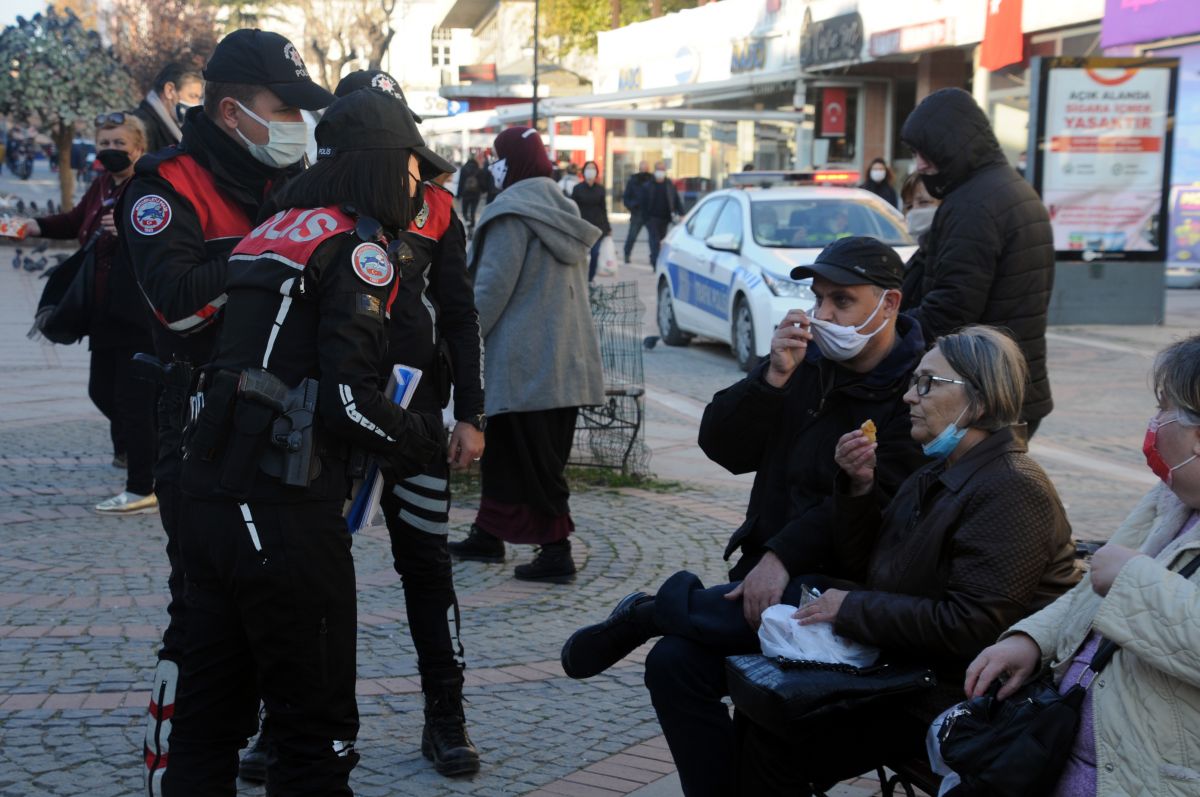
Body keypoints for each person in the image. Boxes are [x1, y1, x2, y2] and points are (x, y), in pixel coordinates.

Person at [560, 237, 930, 795]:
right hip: (765, 578)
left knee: (773, 631)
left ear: (890, 304)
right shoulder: (807, 364)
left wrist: (784, 554)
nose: (823, 314)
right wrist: (771, 378)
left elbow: (884, 503)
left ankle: (657, 610)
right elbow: (723, 447)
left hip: (852, 590)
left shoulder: (916, 391)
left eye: (842, 302)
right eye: (818, 298)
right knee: (674, 666)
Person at [161, 87, 444, 796]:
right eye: (416, 168)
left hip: (209, 495)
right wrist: (426, 444)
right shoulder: (356, 247)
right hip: (284, 512)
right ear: (386, 163)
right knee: (313, 740)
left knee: (207, 725)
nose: (422, 185)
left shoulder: (274, 226)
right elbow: (350, 400)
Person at [119, 28, 334, 792]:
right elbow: (177, 305)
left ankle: (278, 746)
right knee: (206, 636)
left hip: (290, 438)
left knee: (288, 631)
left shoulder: (290, 179)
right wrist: (281, 244)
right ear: (233, 110)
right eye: (285, 109)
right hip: (202, 443)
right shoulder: (162, 188)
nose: (297, 127)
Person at [735, 325, 1078, 795]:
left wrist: (851, 608)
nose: (908, 398)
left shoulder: (1012, 487)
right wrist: (857, 487)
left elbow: (972, 624)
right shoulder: (939, 471)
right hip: (909, 668)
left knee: (777, 735)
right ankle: (667, 611)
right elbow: (871, 569)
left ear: (978, 397)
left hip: (956, 697)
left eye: (927, 384)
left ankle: (662, 611)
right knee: (755, 708)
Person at [966, 333, 1200, 797]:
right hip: (1084, 758)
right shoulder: (1170, 500)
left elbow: (1122, 581)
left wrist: (1133, 579)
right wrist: (1033, 638)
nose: (1152, 425)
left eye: (1163, 408)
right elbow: (1096, 585)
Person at [333, 69, 484, 778]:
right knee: (313, 574)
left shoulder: (440, 210)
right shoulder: (314, 200)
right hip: (334, 417)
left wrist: (472, 415)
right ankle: (304, 725)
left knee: (426, 569)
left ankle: (446, 718)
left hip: (419, 421)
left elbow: (459, 314)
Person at [447, 126, 603, 582]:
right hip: (564, 364)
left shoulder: (511, 213)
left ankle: (556, 553)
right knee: (516, 457)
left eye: (497, 158)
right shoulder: (562, 207)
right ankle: (488, 534)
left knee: (535, 466)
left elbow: (491, 289)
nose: (492, 166)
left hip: (523, 366)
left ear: (511, 162)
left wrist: (461, 337)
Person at [900, 87, 1054, 436]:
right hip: (1011, 383)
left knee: (968, 487)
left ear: (952, 144)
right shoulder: (1011, 188)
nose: (921, 165)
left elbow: (951, 309)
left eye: (926, 152)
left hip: (982, 393)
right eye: (915, 154)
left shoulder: (973, 205)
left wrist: (888, 338)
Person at [27, 112, 157, 513]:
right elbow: (74, 221)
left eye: (119, 144)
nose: (110, 151)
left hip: (135, 309)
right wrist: (32, 225)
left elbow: (164, 235)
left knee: (134, 401)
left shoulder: (148, 188)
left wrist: (129, 230)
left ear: (138, 147)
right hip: (102, 310)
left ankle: (143, 486)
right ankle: (146, 448)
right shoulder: (102, 184)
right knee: (101, 392)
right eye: (104, 144)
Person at [131, 63, 205, 154]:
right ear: (169, 90)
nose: (197, 104)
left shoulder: (173, 127)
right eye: (193, 96)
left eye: (199, 98)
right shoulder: (141, 128)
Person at [899, 170, 941, 301]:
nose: (914, 211)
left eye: (923, 202)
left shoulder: (949, 255)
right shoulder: (921, 254)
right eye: (909, 206)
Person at [571, 160, 612, 282]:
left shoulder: (600, 189)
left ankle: (590, 279)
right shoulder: (577, 189)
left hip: (597, 226)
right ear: (584, 171)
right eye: (588, 168)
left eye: (593, 168)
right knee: (581, 255)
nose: (591, 170)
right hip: (582, 226)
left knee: (595, 254)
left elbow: (604, 209)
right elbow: (573, 207)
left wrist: (608, 227)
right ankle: (580, 278)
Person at [644, 160, 680, 269]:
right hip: (652, 218)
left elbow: (676, 199)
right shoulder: (648, 185)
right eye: (658, 170)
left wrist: (681, 213)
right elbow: (643, 202)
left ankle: (655, 258)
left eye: (662, 170)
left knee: (662, 241)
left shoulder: (669, 184)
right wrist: (645, 218)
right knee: (654, 241)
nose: (660, 172)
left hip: (665, 218)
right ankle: (655, 262)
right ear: (654, 171)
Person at [622, 160, 652, 265]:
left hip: (649, 213)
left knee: (653, 238)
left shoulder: (652, 180)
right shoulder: (633, 180)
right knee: (632, 236)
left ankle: (654, 258)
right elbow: (626, 197)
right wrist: (632, 206)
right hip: (637, 213)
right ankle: (627, 254)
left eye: (646, 168)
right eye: (642, 168)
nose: (644, 170)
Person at [457, 152, 484, 231]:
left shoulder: (464, 169)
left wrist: (458, 195)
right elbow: (482, 183)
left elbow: (461, 182)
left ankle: (468, 222)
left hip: (465, 194)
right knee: (473, 211)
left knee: (465, 212)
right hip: (476, 194)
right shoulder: (479, 170)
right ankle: (472, 227)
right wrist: (483, 190)